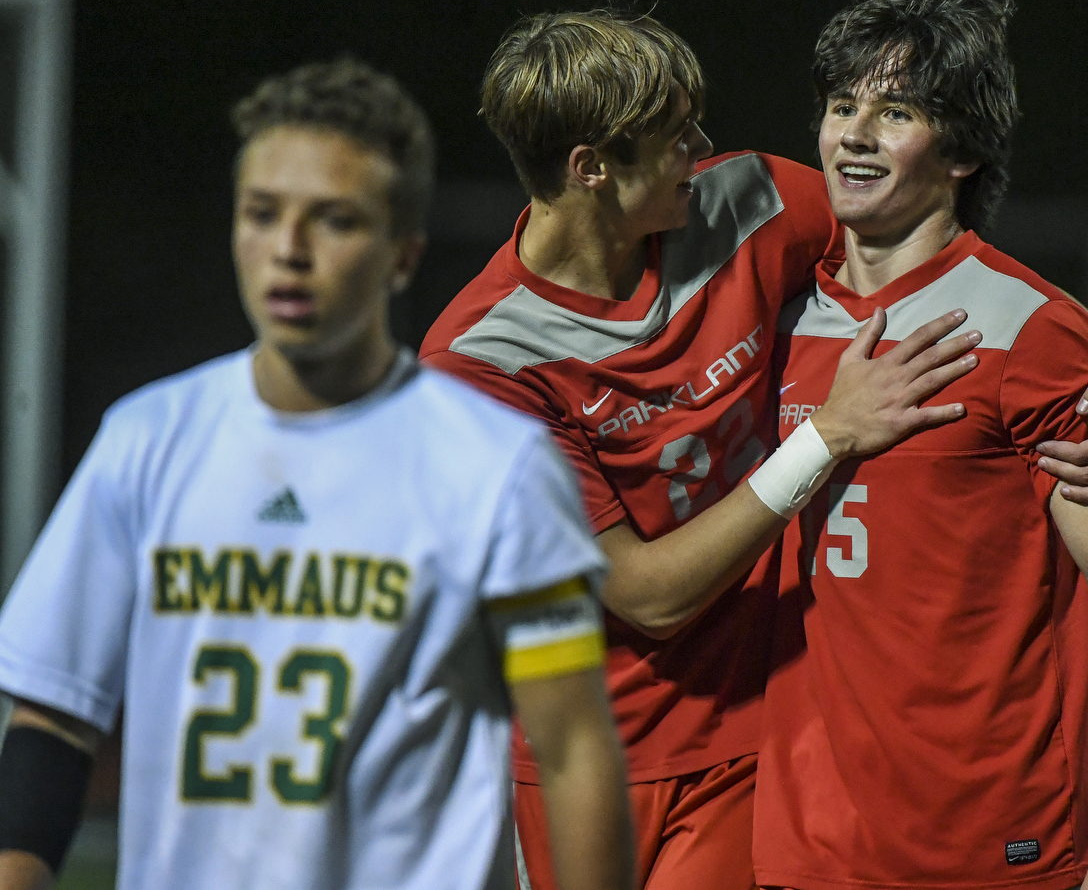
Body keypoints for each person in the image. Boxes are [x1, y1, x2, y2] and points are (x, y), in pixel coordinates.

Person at [421, 11, 1088, 890]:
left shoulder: (746, 204)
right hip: (585, 743)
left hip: (750, 730)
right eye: (674, 139)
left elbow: (972, 276)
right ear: (592, 169)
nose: (704, 149)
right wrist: (828, 435)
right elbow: (645, 596)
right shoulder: (480, 361)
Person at [0, 60, 632, 890]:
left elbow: (575, 747)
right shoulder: (147, 441)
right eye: (262, 214)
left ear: (404, 254)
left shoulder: (495, 467)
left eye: (334, 221)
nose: (289, 251)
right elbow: (54, 721)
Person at [753, 0, 1088, 890]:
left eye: (894, 110)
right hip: (804, 843)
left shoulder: (1027, 328)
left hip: (994, 841)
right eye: (840, 106)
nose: (854, 134)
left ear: (965, 151)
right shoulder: (775, 315)